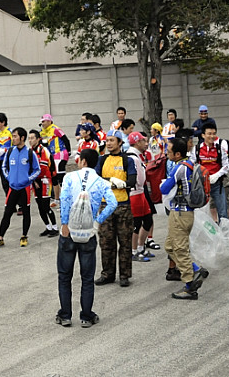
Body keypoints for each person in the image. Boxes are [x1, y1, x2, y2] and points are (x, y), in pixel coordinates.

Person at [55, 149, 117, 328]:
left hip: (69, 231)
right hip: (88, 232)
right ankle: (86, 316)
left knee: (64, 275)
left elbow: (65, 199)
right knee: (87, 277)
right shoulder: (101, 182)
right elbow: (112, 203)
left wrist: (65, 223)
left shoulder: (69, 177)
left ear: (82, 161)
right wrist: (97, 222)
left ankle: (65, 315)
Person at [160, 138, 209, 300]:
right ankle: (195, 269)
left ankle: (190, 286)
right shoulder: (189, 163)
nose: (167, 154)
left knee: (180, 249)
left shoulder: (180, 168)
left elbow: (164, 188)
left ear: (178, 154)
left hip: (181, 213)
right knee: (169, 247)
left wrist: (165, 181)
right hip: (185, 213)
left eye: (169, 152)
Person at [94, 129, 136, 287]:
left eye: (112, 140)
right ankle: (107, 274)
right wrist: (112, 181)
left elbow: (132, 180)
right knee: (106, 242)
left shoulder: (128, 160)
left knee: (125, 242)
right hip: (105, 206)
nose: (109, 143)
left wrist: (123, 184)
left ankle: (124, 275)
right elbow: (96, 179)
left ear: (120, 142)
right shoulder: (102, 160)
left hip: (123, 206)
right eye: (107, 140)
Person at [0, 128, 41, 249]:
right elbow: (4, 167)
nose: (12, 138)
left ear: (22, 138)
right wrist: (9, 178)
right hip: (12, 188)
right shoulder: (9, 151)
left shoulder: (30, 153)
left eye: (15, 136)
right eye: (12, 136)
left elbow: (37, 169)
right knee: (7, 213)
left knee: (26, 213)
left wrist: (28, 179)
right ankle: (0, 238)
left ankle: (24, 236)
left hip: (24, 188)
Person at [189, 122, 229, 223]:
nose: (212, 136)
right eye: (209, 133)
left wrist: (217, 175)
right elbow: (192, 164)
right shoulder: (197, 149)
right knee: (200, 211)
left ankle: (224, 234)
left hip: (217, 184)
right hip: (201, 185)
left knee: (222, 212)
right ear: (203, 135)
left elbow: (226, 166)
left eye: (214, 133)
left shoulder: (219, 148)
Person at [126, 132, 154, 262]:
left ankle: (140, 247)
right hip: (135, 193)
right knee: (136, 224)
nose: (146, 143)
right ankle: (133, 251)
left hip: (140, 192)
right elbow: (139, 178)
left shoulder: (138, 156)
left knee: (148, 220)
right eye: (144, 141)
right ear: (137, 143)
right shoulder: (133, 158)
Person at [28, 130, 58, 237]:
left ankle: (55, 228)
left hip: (45, 180)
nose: (30, 140)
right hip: (34, 181)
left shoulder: (43, 150)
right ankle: (48, 227)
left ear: (38, 139)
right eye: (29, 138)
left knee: (46, 206)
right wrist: (33, 180)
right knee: (40, 206)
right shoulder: (29, 151)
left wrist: (36, 179)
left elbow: (44, 168)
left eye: (32, 138)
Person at [39, 114, 70, 200]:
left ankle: (66, 197)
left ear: (49, 121)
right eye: (41, 122)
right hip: (53, 156)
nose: (42, 124)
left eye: (43, 122)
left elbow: (65, 139)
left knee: (60, 177)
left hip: (60, 153)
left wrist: (69, 151)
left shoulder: (56, 129)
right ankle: (57, 198)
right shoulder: (44, 131)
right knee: (54, 177)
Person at [0, 112, 12, 198]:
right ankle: (9, 202)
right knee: (4, 182)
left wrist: (5, 150)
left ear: (3, 122)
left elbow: (14, 146)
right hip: (2, 160)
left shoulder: (10, 132)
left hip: (10, 160)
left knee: (11, 181)